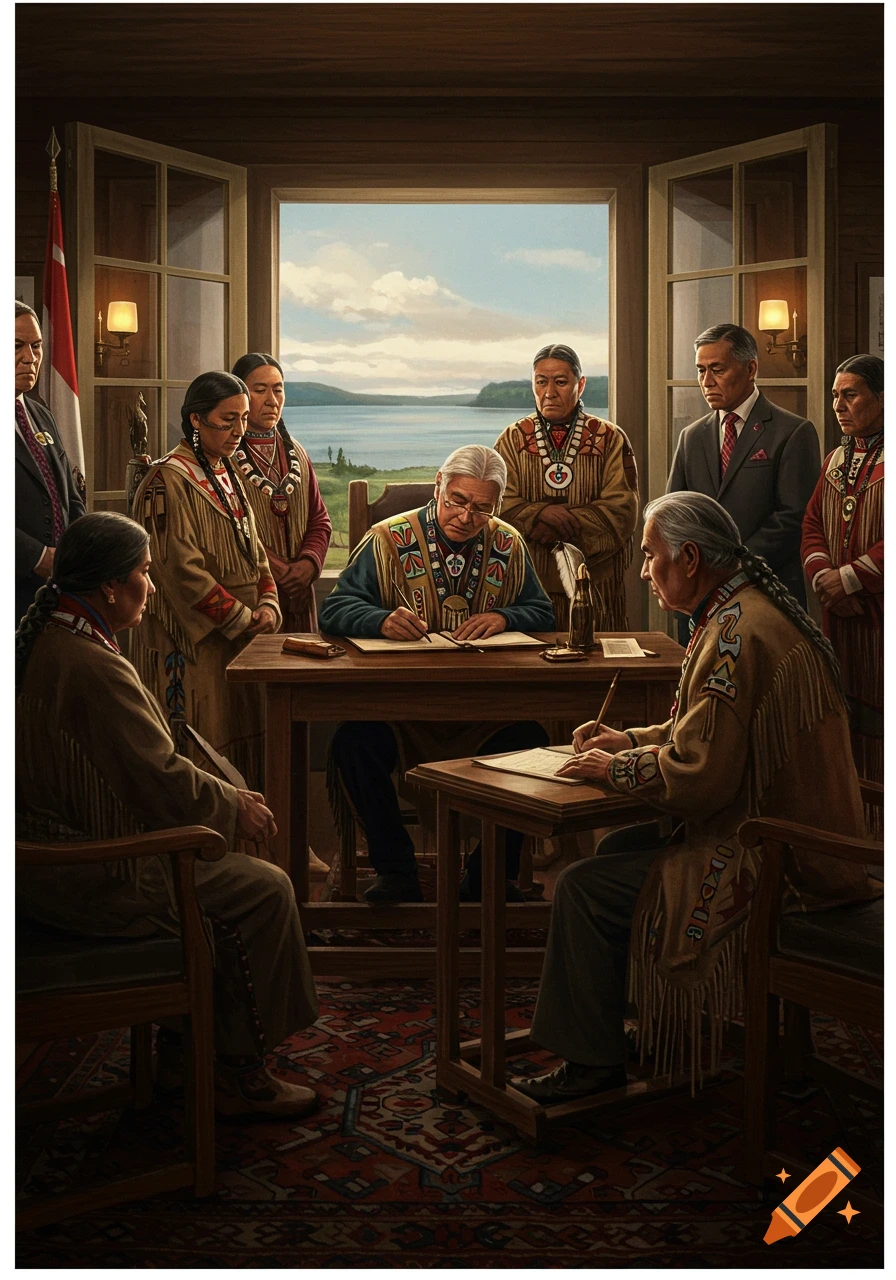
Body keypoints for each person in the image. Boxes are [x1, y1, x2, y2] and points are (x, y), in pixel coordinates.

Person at [512, 491, 880, 1102]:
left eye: (649, 555)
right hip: (793, 832)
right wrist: (629, 739)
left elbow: (700, 775)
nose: (642, 572)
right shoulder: (745, 610)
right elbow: (708, 730)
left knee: (580, 887)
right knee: (617, 850)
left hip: (782, 862)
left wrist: (614, 768)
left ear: (688, 558)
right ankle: (652, 1028)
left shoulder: (734, 635)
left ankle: (591, 1065)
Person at [16, 512, 319, 1119]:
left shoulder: (52, 633)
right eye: (145, 573)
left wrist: (223, 798)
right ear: (110, 586)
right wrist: (235, 806)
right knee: (264, 888)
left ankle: (187, 1054)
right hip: (83, 874)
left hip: (47, 862)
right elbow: (156, 778)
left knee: (236, 869)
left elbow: (140, 767)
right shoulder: (90, 665)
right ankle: (237, 1071)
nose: (152, 587)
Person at [319, 444, 555, 904]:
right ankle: (396, 869)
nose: (466, 517)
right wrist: (379, 620)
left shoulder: (508, 543)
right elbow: (335, 608)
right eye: (457, 501)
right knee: (353, 743)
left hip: (485, 710)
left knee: (531, 741)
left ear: (497, 505)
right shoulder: (387, 539)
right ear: (438, 487)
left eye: (482, 508)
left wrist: (505, 616)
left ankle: (487, 876)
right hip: (399, 707)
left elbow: (542, 612)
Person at [131, 372, 281, 792]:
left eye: (244, 419)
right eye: (228, 420)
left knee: (247, 737)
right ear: (196, 419)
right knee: (205, 742)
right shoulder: (166, 481)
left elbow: (255, 549)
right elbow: (179, 571)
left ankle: (251, 824)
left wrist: (268, 602)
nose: (239, 431)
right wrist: (242, 618)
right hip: (196, 643)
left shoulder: (226, 471)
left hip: (242, 638)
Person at [666, 322, 820, 641]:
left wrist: (730, 569)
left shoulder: (793, 432)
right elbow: (673, 518)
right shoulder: (690, 437)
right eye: (701, 370)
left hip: (767, 596)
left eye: (717, 369)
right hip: (698, 603)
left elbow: (794, 518)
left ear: (750, 369)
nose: (706, 381)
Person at [494, 343, 639, 628]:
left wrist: (562, 523)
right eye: (541, 382)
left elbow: (622, 508)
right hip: (528, 584)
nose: (549, 392)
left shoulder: (609, 437)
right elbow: (497, 503)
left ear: (580, 384)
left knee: (594, 648)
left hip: (593, 582)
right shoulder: (512, 439)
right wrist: (540, 514)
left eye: (560, 382)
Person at [802, 354, 883, 801]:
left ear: (883, 397)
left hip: (880, 618)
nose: (838, 406)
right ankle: (850, 822)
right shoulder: (835, 458)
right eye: (835, 396)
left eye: (850, 395)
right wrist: (824, 580)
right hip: (838, 620)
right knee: (842, 719)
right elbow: (812, 524)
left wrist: (848, 580)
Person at [231, 353, 331, 632]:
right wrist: (278, 570)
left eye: (278, 389)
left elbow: (319, 519)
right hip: (254, 594)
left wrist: (308, 564)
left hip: (301, 592)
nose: (272, 400)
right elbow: (228, 530)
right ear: (240, 396)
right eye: (260, 390)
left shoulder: (296, 452)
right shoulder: (225, 455)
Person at [15, 300, 86, 625]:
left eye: (36, 346)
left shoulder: (40, 414)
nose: (30, 358)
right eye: (16, 346)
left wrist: (79, 550)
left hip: (59, 590)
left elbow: (70, 495)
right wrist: (38, 556)